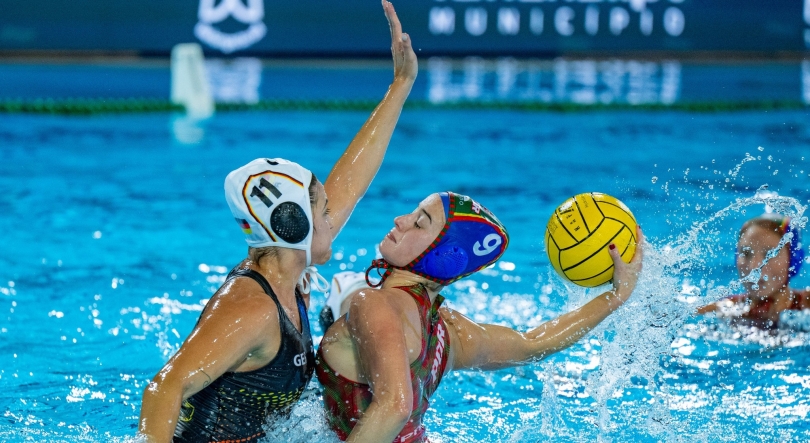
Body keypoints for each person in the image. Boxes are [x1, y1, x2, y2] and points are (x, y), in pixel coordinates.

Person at [137, 2, 418, 441]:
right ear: (293, 226)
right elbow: (163, 388)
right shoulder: (250, 308)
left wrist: (400, 86)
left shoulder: (288, 271)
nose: (334, 216)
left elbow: (351, 183)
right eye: (322, 211)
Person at [316, 191, 645, 443]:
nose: (400, 219)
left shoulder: (371, 303)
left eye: (419, 222)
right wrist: (616, 297)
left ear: (445, 256)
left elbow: (396, 407)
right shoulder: (449, 334)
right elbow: (532, 344)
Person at [697, 213, 808, 329]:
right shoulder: (723, 309)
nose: (754, 266)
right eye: (746, 253)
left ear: (794, 260)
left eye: (769, 254)